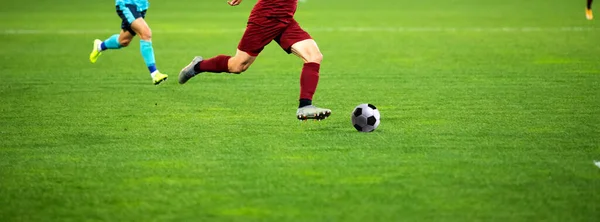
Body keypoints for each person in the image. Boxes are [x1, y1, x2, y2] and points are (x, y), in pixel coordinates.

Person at [178, 0, 331, 121]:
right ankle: (198, 66)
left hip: (285, 18)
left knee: (314, 56)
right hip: (266, 17)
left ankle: (305, 106)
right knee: (238, 65)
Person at [89, 0, 168, 85]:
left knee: (123, 41)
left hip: (141, 6)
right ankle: (155, 73)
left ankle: (99, 46)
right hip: (126, 4)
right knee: (146, 33)